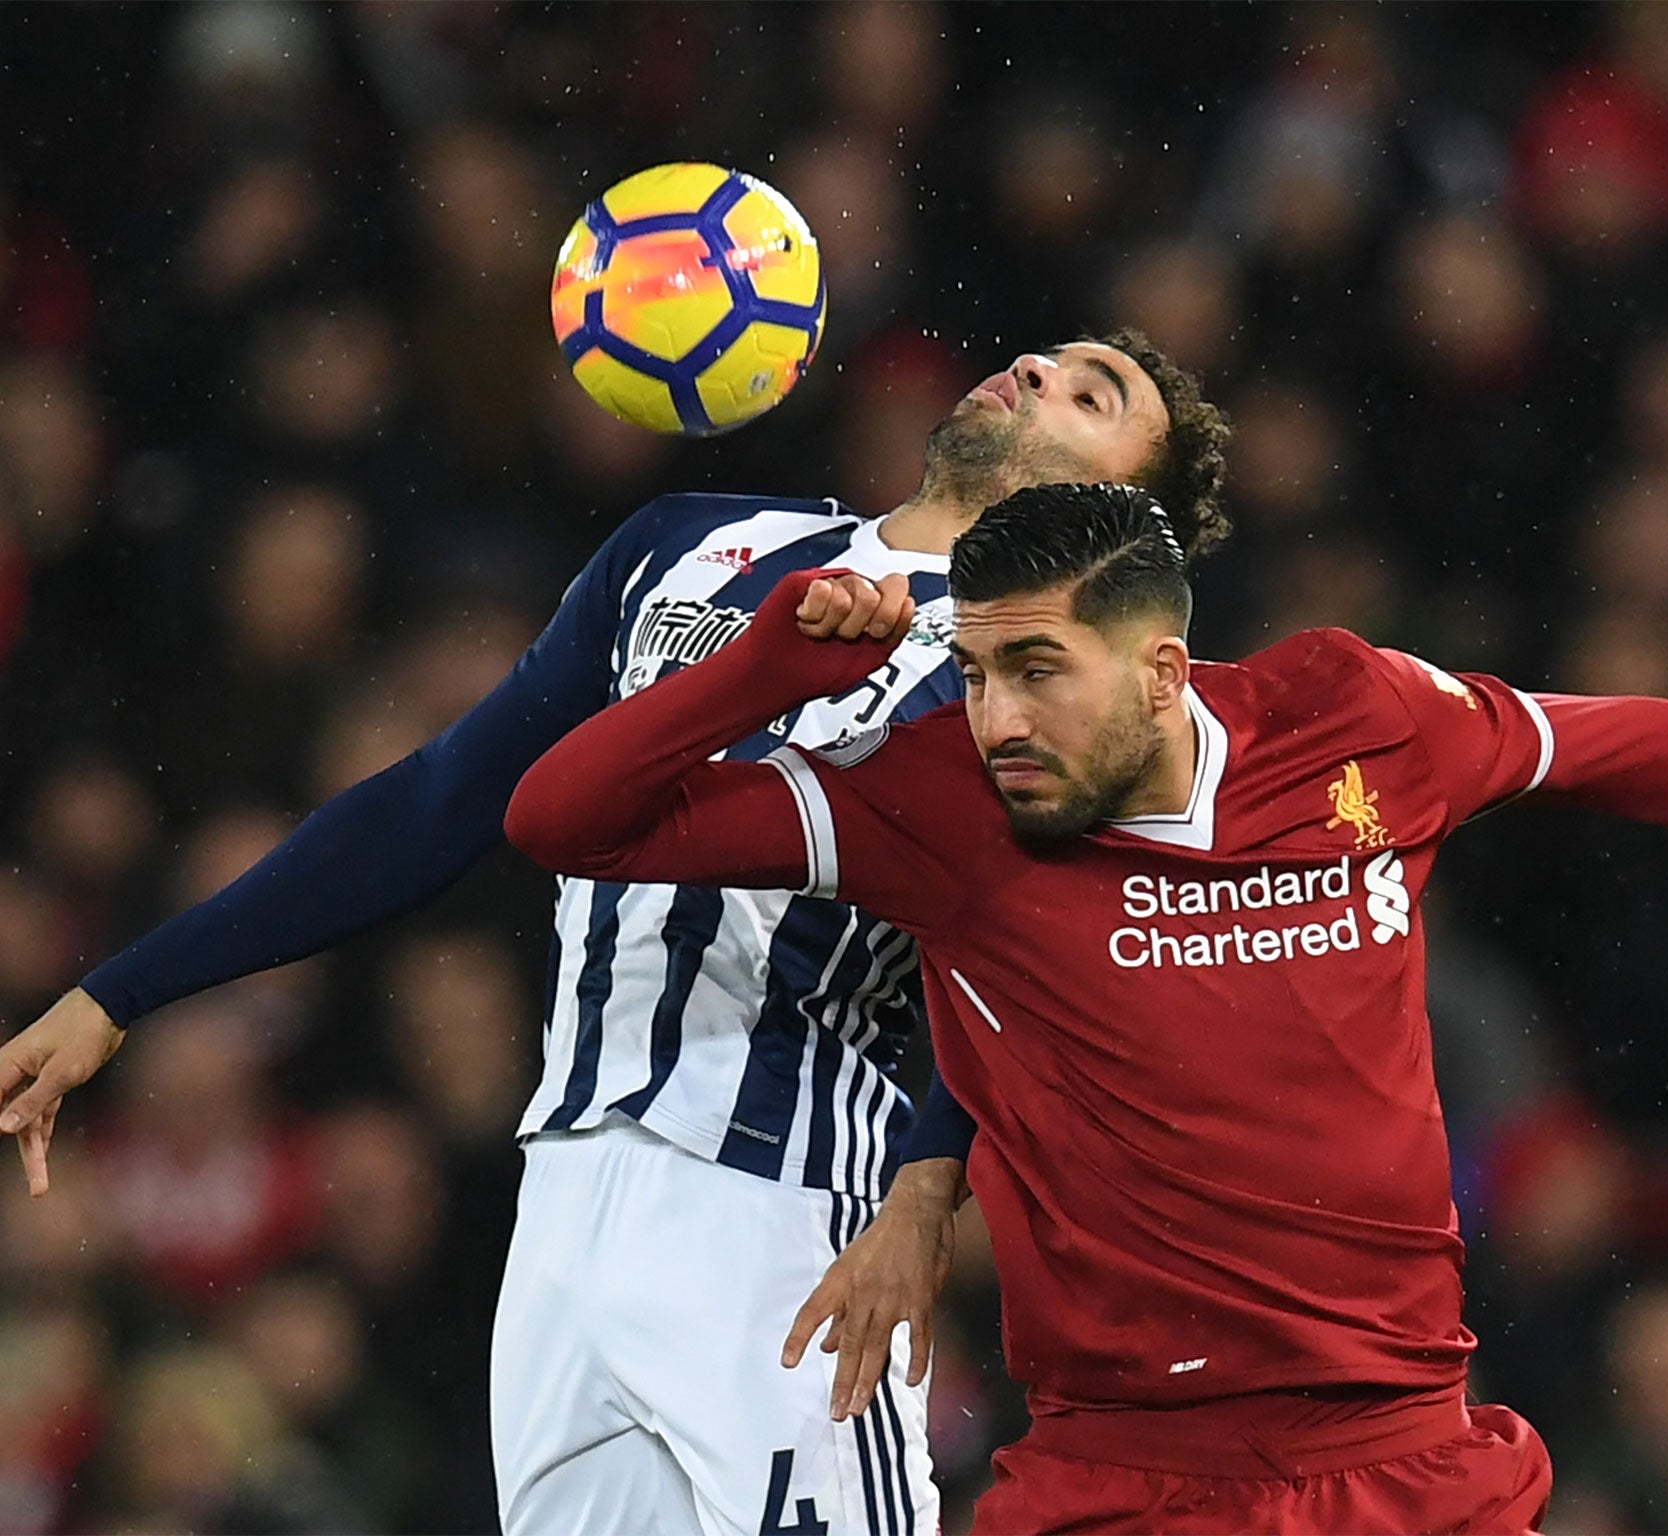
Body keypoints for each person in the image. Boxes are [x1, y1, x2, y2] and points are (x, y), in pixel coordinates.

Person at [503, 481, 1668, 1534]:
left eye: (1036, 671)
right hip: (1124, 1479)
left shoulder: (1357, 721)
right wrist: (763, 663)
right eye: (974, 674)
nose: (997, 718)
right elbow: (565, 820)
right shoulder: (938, 805)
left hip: (1400, 1460)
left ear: (1166, 667)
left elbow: (1622, 745)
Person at [0, 338, 1232, 1536]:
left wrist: (921, 1197)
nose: (1033, 371)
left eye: (1091, 393)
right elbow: (441, 799)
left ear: (1118, 513)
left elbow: (1041, 975)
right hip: (564, 1201)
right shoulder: (688, 543)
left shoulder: (1045, 684)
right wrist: (120, 994)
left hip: (785, 1217)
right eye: (1047, 358)